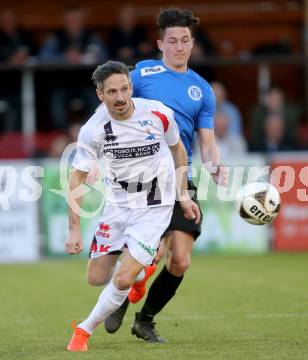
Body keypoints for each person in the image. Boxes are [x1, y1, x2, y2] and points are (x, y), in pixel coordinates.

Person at [104, 8, 228, 343]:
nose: (179, 47)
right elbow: (113, 99)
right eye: (172, 41)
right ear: (160, 43)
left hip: (180, 175)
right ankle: (120, 291)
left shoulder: (202, 90)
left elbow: (206, 140)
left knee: (180, 262)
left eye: (185, 40)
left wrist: (215, 165)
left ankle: (145, 320)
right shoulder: (142, 74)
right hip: (143, 176)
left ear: (192, 43)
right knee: (152, 252)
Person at [65, 60, 200, 352]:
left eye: (125, 88)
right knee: (96, 278)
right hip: (117, 205)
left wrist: (183, 195)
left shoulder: (158, 114)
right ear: (100, 94)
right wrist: (74, 230)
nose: (121, 97)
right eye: (112, 91)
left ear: (130, 86)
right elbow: (76, 178)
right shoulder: (93, 129)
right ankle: (142, 271)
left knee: (121, 278)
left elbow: (178, 149)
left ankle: (83, 331)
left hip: (154, 205)